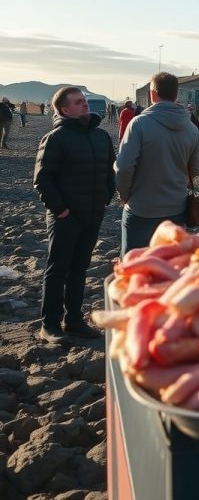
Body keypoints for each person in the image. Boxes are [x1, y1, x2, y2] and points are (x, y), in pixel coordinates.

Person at [32, 87, 116, 342]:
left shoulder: (101, 136)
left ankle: (74, 320)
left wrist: (105, 199)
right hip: (65, 217)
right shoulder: (55, 138)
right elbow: (42, 179)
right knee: (57, 270)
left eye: (85, 101)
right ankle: (50, 324)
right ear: (64, 109)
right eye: (79, 102)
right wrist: (61, 210)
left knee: (80, 269)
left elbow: (109, 172)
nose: (85, 105)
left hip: (93, 213)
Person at [115, 72, 199, 255]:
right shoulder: (191, 128)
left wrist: (125, 196)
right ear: (176, 95)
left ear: (152, 94)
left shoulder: (138, 124)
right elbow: (195, 169)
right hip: (177, 207)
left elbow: (123, 168)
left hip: (141, 208)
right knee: (170, 266)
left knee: (134, 266)